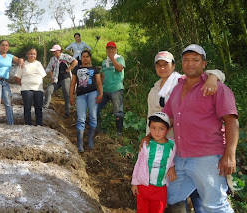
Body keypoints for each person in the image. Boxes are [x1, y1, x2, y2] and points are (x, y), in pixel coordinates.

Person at [143, 44, 239, 212]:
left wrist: (230, 154)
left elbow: (231, 121)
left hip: (207, 158)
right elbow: (168, 117)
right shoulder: (178, 87)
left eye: (195, 60)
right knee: (170, 196)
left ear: (204, 63)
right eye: (186, 60)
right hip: (180, 157)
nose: (190, 64)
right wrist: (150, 137)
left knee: (214, 205)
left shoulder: (216, 88)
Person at [132, 112, 177, 213]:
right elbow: (138, 164)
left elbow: (172, 159)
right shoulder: (146, 145)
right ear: (149, 128)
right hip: (144, 186)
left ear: (168, 130)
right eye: (153, 128)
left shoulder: (172, 145)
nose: (157, 132)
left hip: (160, 189)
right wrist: (135, 183)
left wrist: (172, 167)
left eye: (161, 128)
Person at [69, 50, 103, 152]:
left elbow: (99, 82)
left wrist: (101, 93)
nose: (85, 58)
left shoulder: (94, 69)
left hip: (92, 94)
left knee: (93, 116)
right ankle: (80, 143)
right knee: (81, 118)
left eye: (87, 56)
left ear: (90, 58)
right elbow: (73, 83)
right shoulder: (76, 69)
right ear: (81, 58)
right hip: (80, 96)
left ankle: (90, 140)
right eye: (83, 56)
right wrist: (71, 96)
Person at [0, 40, 24, 125]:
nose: (4, 47)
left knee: (8, 102)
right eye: (2, 45)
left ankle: (11, 123)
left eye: (6, 45)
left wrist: (21, 60)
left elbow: (18, 60)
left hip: (5, 81)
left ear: (8, 47)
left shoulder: (10, 56)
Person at [97, 41, 125, 135]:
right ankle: (97, 129)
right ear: (106, 50)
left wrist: (112, 58)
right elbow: (102, 76)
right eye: (108, 49)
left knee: (118, 110)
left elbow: (120, 68)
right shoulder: (104, 62)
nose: (110, 50)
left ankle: (119, 131)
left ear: (115, 50)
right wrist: (100, 89)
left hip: (116, 89)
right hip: (105, 90)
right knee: (96, 108)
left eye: (112, 49)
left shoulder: (119, 58)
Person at [43, 44, 78, 118]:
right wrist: (52, 78)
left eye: (55, 51)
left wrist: (69, 68)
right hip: (56, 78)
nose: (54, 53)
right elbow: (50, 69)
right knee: (49, 90)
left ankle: (67, 111)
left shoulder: (65, 56)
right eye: (53, 51)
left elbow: (75, 61)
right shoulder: (52, 59)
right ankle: (45, 107)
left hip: (65, 77)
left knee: (66, 94)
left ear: (59, 51)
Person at [15, 48, 46, 126]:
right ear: (27, 55)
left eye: (34, 54)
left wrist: (37, 82)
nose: (32, 55)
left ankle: (39, 124)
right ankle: (28, 124)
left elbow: (42, 76)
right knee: (27, 107)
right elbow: (17, 78)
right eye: (31, 53)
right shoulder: (23, 64)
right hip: (26, 89)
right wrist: (24, 84)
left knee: (38, 107)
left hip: (38, 89)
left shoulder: (38, 64)